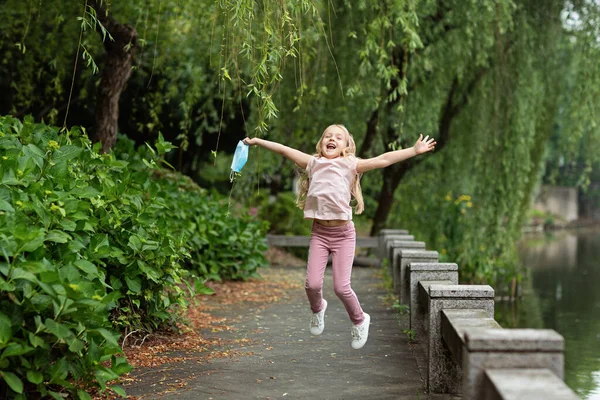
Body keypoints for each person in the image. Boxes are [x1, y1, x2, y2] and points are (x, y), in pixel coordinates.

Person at [243, 125, 436, 349]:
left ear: (346, 146)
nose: (332, 139)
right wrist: (258, 141)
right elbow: (284, 150)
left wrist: (413, 150)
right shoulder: (313, 163)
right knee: (312, 285)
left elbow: (383, 159)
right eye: (327, 136)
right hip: (320, 233)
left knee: (341, 287)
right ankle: (317, 309)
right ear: (321, 143)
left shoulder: (350, 164)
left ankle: (360, 320)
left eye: (338, 137)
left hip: (343, 234)